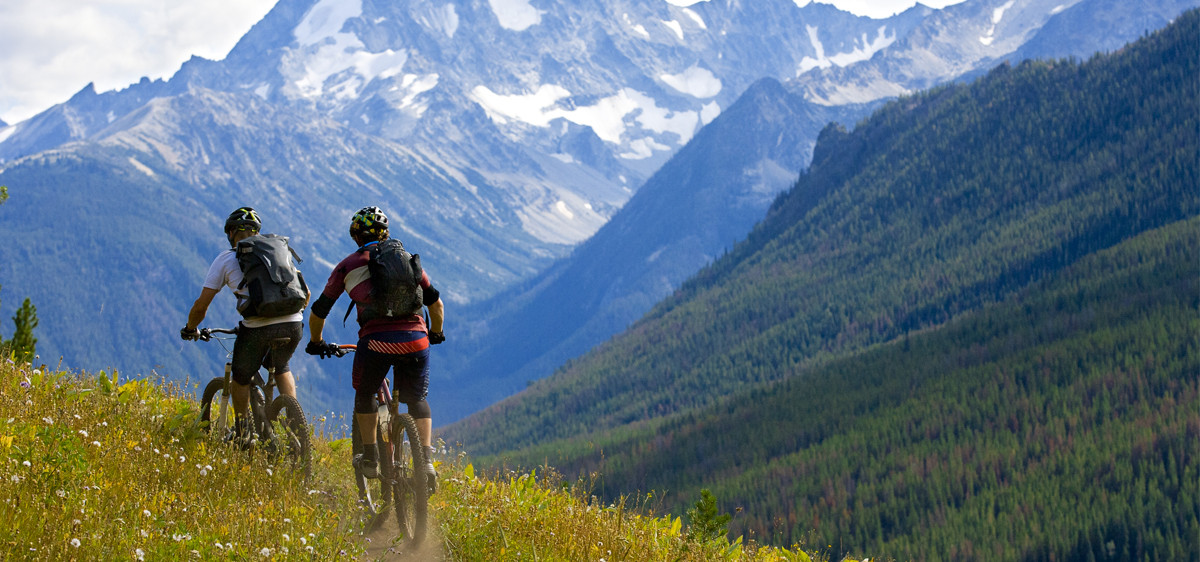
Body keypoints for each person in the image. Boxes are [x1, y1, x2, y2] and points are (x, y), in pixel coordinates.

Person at [306, 206, 445, 481]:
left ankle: (370, 457)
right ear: (386, 233)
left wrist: (316, 341)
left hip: (376, 342)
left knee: (365, 394)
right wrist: (436, 334)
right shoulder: (407, 260)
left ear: (356, 237)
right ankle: (426, 462)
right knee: (417, 400)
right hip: (417, 341)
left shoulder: (347, 266)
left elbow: (320, 310)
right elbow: (436, 304)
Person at [181, 207, 308, 440]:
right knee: (281, 366)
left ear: (231, 233)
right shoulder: (278, 250)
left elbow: (201, 305)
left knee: (240, 378)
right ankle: (296, 431)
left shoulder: (227, 258)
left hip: (258, 327)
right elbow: (304, 292)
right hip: (294, 323)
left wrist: (190, 328)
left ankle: (242, 433)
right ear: (257, 231)